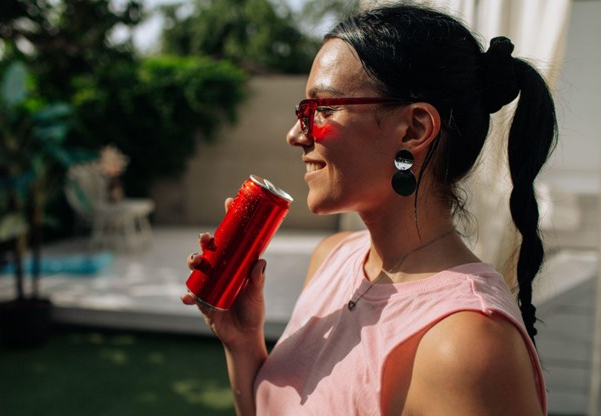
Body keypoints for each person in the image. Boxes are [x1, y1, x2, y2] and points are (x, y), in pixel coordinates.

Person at [182, 3, 557, 415]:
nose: (295, 135)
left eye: (321, 109)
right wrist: (242, 340)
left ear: (414, 129)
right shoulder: (333, 258)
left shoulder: (465, 343)